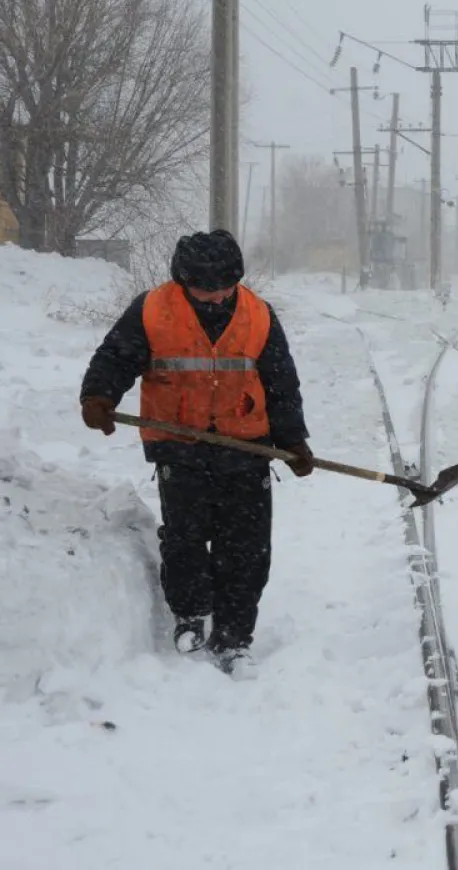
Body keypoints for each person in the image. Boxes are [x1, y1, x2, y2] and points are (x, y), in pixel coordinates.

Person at [79, 230, 314, 679]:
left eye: (224, 286)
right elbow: (115, 357)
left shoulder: (259, 315)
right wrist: (99, 397)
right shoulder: (151, 309)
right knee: (186, 540)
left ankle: (234, 638)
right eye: (205, 288)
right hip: (179, 446)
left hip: (245, 447)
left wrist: (293, 441)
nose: (215, 296)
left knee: (246, 548)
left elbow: (281, 383)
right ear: (183, 280)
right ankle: (190, 616)